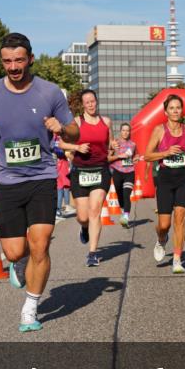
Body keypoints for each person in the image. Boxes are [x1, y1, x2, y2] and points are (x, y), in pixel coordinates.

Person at [0, 32, 78, 332]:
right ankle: (19, 265)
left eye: (19, 60)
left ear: (30, 59)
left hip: (42, 177)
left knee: (41, 245)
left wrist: (61, 128)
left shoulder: (49, 93)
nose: (13, 66)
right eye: (7, 61)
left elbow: (75, 133)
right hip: (7, 180)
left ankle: (30, 308)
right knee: (13, 252)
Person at [145, 94, 185, 274]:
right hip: (165, 178)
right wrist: (166, 152)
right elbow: (147, 155)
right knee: (164, 224)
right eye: (172, 108)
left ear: (182, 110)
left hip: (184, 177)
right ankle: (161, 239)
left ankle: (177, 259)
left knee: (180, 219)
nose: (176, 111)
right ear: (166, 112)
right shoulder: (159, 130)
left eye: (178, 108)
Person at [59, 89, 113, 267]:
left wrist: (114, 146)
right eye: (87, 102)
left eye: (93, 101)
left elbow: (109, 144)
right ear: (83, 105)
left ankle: (92, 253)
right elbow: (60, 143)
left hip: (100, 170)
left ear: (97, 102)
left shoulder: (106, 122)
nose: (91, 104)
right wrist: (77, 148)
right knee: (83, 216)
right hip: (80, 172)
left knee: (95, 211)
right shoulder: (76, 122)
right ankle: (84, 228)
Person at [109, 122, 138, 226]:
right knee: (120, 195)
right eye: (123, 130)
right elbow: (108, 158)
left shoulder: (133, 144)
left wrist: (136, 159)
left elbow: (135, 156)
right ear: (120, 132)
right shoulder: (115, 144)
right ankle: (123, 210)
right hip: (117, 171)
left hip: (130, 172)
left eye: (127, 130)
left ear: (130, 132)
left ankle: (126, 217)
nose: (126, 132)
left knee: (126, 194)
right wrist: (119, 156)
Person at [54, 135, 72, 220]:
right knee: (60, 188)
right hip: (60, 165)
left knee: (65, 187)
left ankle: (64, 207)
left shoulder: (59, 136)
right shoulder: (56, 138)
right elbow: (58, 150)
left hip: (63, 165)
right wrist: (66, 150)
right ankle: (59, 209)